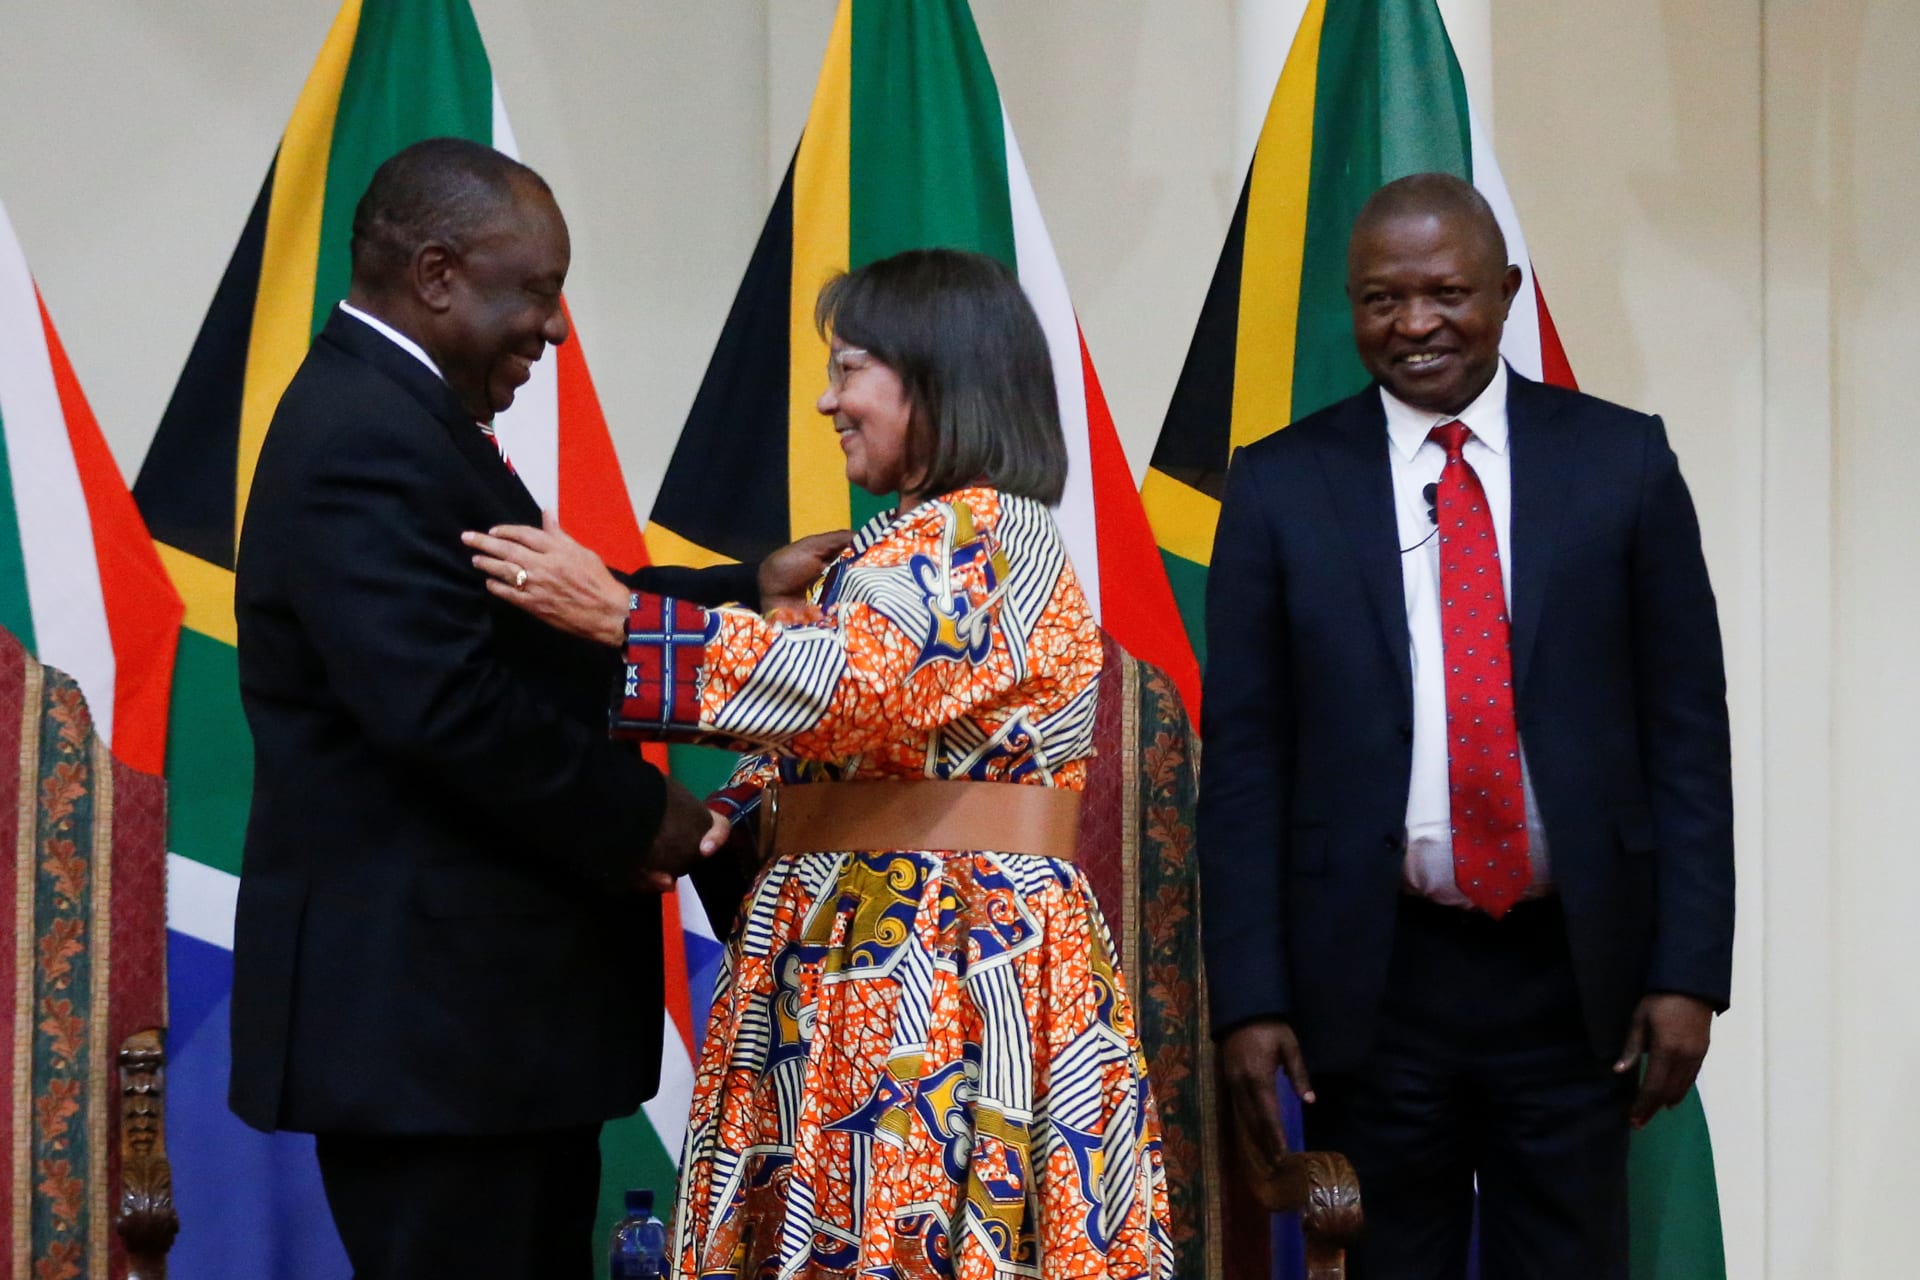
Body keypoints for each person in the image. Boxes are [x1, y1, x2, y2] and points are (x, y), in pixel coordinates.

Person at [467, 247, 1176, 1279]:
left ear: (936, 378)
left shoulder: (977, 532)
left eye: (850, 369)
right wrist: (720, 817)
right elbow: (866, 747)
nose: (824, 399)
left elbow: (854, 686)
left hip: (937, 970)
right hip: (879, 949)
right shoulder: (919, 539)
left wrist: (627, 617)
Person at [230, 137, 842, 1279]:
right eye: (538, 292)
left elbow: (532, 619)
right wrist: (641, 814)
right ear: (437, 274)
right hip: (432, 1043)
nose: (557, 329)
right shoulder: (362, 436)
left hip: (480, 1041)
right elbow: (445, 704)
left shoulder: (398, 418)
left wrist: (736, 592)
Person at [1196, 173, 1734, 1279]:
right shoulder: (1280, 485)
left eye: (1446, 292)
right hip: (1374, 977)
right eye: (1381, 299)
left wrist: (1690, 969)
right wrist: (1249, 995)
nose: (1415, 323)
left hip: (1575, 973)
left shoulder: (1622, 463)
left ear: (1507, 292)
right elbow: (1246, 760)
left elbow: (1686, 731)